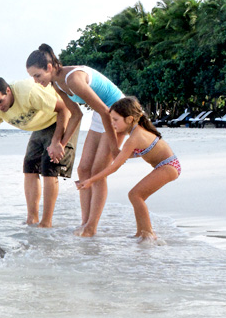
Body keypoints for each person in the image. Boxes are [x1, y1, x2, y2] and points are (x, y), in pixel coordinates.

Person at [25, 43, 124, 237]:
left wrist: (115, 148)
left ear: (49, 68)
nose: (36, 81)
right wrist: (60, 144)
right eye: (33, 78)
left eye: (37, 75)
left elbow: (106, 111)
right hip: (101, 114)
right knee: (83, 169)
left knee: (98, 171)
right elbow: (76, 114)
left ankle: (91, 227)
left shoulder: (73, 78)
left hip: (118, 112)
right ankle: (85, 223)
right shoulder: (57, 84)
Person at [0, 77, 77, 228]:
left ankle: (46, 223)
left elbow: (64, 108)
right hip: (41, 125)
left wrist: (57, 142)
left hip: (62, 118)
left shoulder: (27, 92)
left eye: (0, 101)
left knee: (48, 166)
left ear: (8, 90)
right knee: (29, 166)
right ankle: (32, 220)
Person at [75, 96, 181, 242]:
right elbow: (123, 157)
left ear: (130, 119)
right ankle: (141, 232)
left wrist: (90, 181)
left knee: (135, 195)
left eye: (115, 120)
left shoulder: (134, 138)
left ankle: (148, 233)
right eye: (111, 119)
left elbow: (114, 167)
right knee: (136, 195)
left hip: (169, 166)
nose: (112, 124)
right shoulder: (136, 131)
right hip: (167, 165)